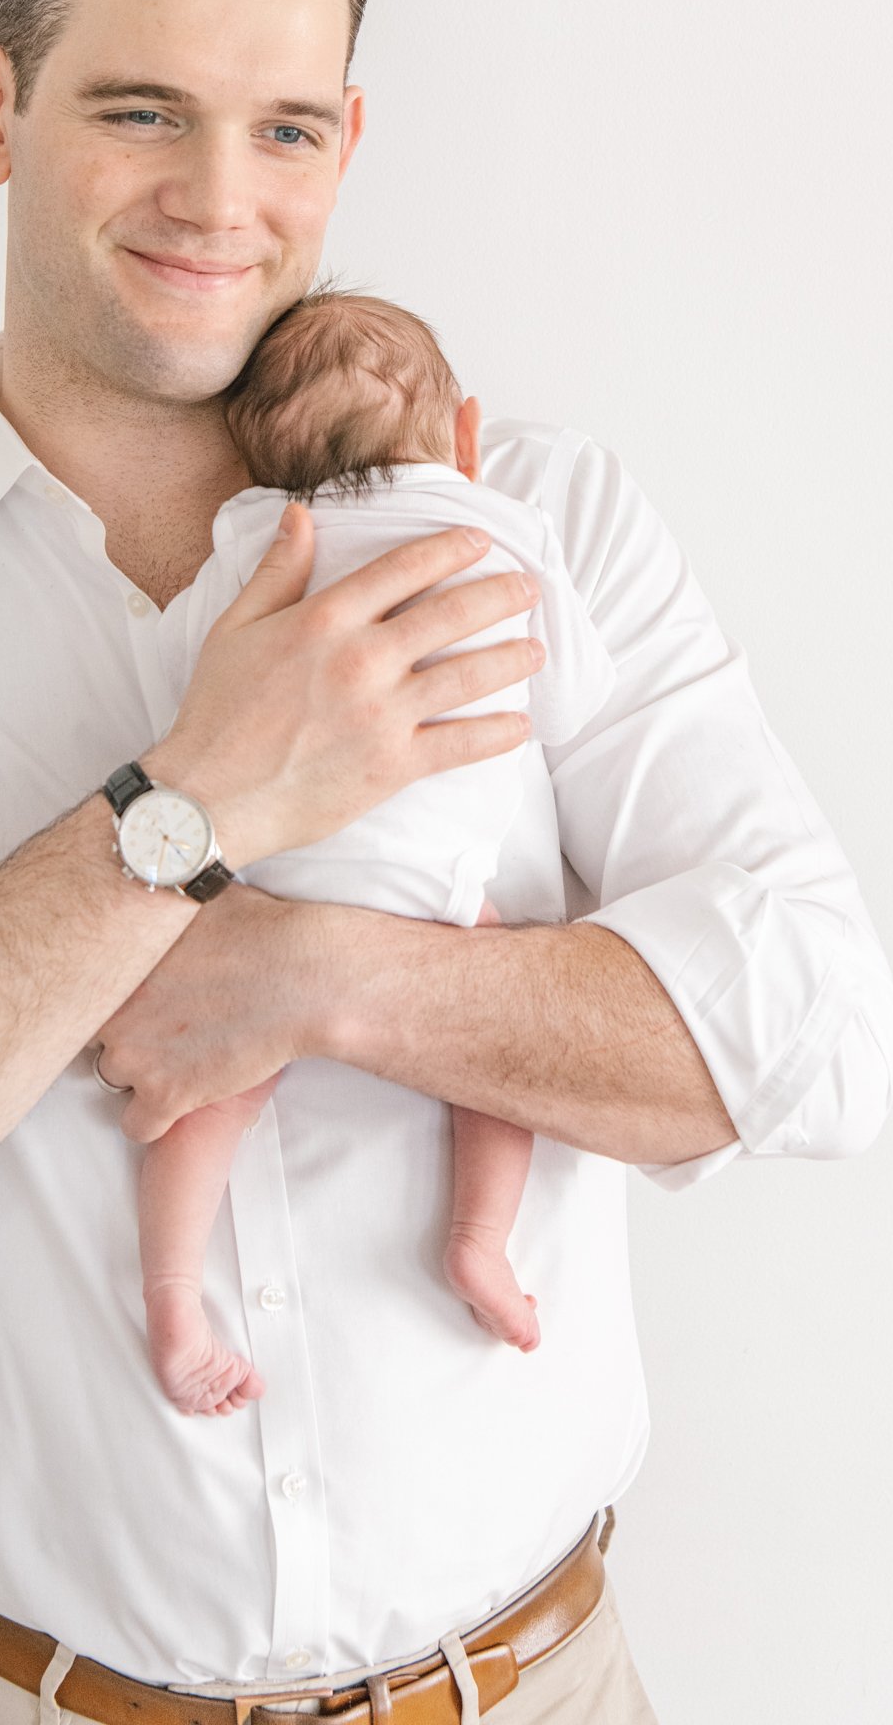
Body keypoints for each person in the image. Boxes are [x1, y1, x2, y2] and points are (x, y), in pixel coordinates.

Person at [0, 0, 893, 1725]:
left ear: (345, 142)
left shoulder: (537, 522)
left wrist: (317, 973)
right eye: (139, 111)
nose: (222, 197)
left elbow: (823, 1042)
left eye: (285, 126)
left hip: (542, 1683)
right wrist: (186, 814)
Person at [136, 284, 620, 1414]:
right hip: (442, 900)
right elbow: (571, 699)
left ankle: (170, 1302)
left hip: (265, 884)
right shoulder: (507, 530)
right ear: (465, 436)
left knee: (204, 1097)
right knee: (499, 1049)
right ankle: (478, 1246)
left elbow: (176, 697)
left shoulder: (255, 538)